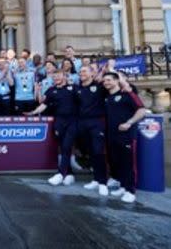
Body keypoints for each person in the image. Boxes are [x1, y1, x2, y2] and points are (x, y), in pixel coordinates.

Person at [26, 69, 78, 186]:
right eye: (54, 77)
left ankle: (60, 174)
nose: (56, 79)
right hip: (59, 121)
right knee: (63, 147)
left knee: (67, 146)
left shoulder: (73, 88)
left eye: (59, 76)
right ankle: (69, 174)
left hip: (72, 121)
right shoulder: (51, 90)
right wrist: (33, 112)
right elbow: (44, 105)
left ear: (65, 76)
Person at [102, 72, 146, 203]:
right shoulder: (107, 97)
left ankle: (131, 191)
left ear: (117, 81)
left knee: (129, 163)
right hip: (111, 136)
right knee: (117, 162)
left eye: (109, 80)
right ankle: (123, 186)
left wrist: (129, 122)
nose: (106, 82)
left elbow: (142, 110)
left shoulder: (128, 94)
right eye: (104, 81)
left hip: (126, 136)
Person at [76, 66, 109, 196]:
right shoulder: (77, 88)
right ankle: (96, 179)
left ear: (92, 74)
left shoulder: (100, 87)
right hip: (82, 123)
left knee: (98, 151)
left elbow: (120, 88)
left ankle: (103, 183)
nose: (81, 73)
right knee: (90, 152)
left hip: (96, 123)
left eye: (84, 71)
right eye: (80, 72)